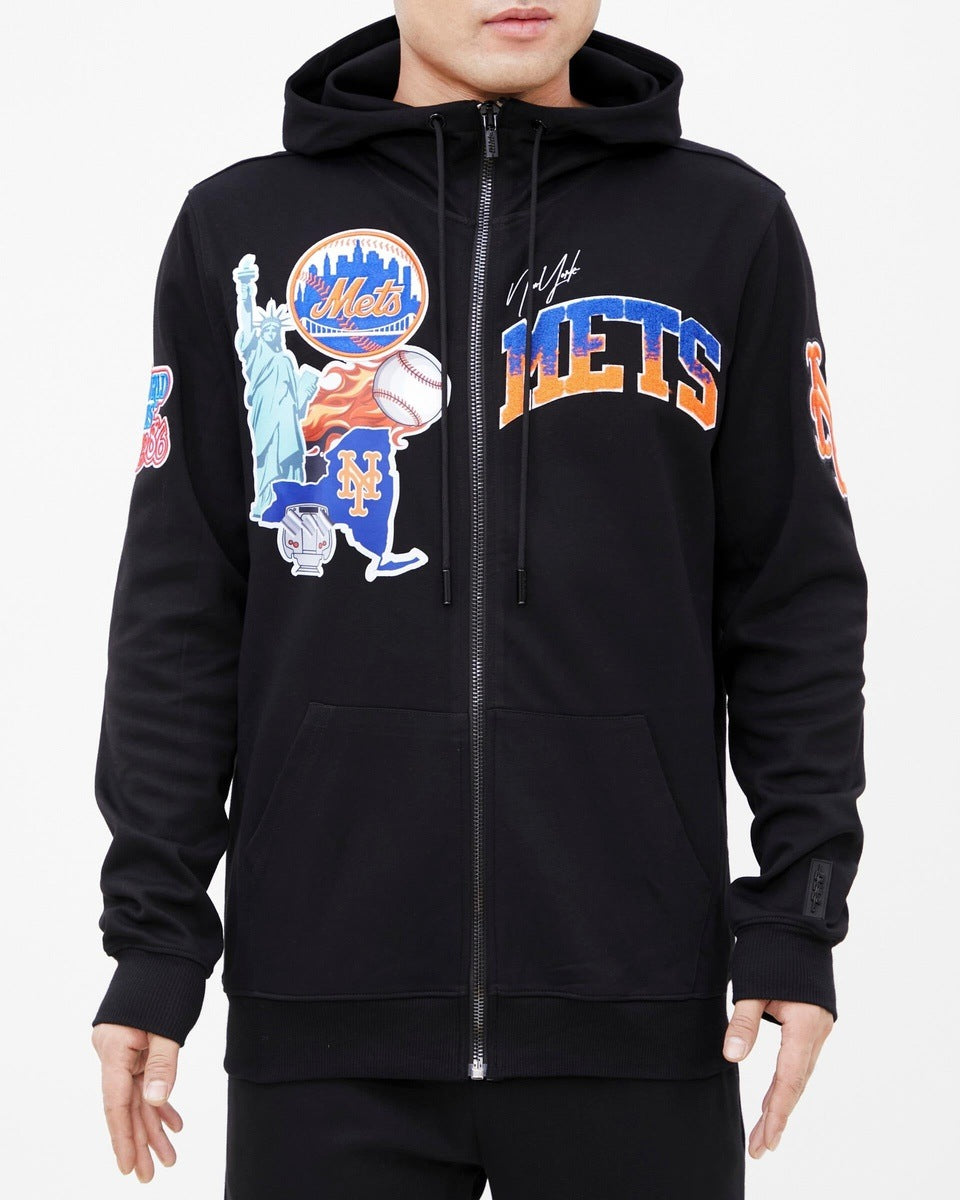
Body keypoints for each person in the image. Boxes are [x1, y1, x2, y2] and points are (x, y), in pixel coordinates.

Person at [90, 3, 868, 1197]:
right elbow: (181, 610)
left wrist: (798, 916)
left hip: (637, 1012)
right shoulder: (240, 226)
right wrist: (155, 940)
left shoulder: (726, 226)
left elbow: (793, 600)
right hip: (325, 1016)